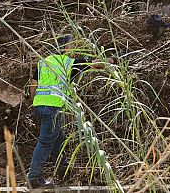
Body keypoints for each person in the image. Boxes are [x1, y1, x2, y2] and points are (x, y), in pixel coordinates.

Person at [27, 35, 113, 189]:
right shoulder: (68, 63)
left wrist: (33, 102)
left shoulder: (43, 62)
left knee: (58, 137)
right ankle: (34, 178)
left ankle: (63, 169)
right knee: (46, 141)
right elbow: (96, 65)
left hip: (40, 105)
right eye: (72, 46)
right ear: (66, 48)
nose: (73, 49)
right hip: (52, 107)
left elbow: (33, 84)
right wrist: (112, 61)